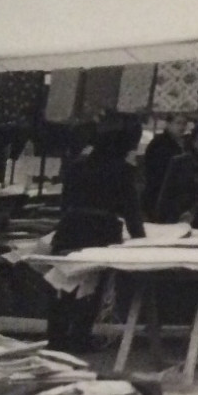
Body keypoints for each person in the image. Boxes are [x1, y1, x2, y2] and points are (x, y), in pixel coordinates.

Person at [47, 116, 147, 352]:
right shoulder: (123, 170)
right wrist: (141, 239)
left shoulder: (76, 166)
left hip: (70, 227)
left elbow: (64, 202)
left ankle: (56, 337)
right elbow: (131, 209)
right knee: (92, 287)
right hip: (100, 231)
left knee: (63, 284)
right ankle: (80, 336)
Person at [141, 113, 189, 221]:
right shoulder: (160, 144)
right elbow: (158, 173)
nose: (182, 127)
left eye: (184, 123)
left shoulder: (182, 144)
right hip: (158, 194)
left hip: (173, 196)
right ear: (168, 124)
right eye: (178, 123)